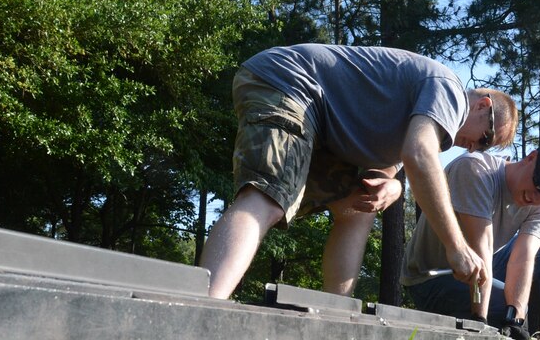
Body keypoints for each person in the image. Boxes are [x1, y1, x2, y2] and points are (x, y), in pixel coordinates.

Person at [200, 43, 518, 300]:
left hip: (321, 126)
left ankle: (333, 321)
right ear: (483, 106)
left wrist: (394, 185)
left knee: (358, 205)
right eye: (485, 139)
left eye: (483, 149)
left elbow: (392, 165)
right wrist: (456, 247)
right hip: (288, 83)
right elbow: (419, 154)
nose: (473, 148)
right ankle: (203, 309)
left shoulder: (427, 117)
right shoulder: (450, 91)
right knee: (268, 197)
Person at [401, 137, 540, 340]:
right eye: (539, 184)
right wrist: (479, 320)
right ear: (531, 158)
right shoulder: (476, 170)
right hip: (433, 277)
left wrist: (515, 319)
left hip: (487, 264)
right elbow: (481, 247)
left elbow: (524, 258)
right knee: (499, 308)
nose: (537, 197)